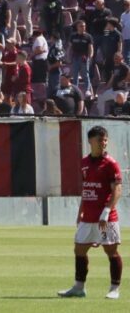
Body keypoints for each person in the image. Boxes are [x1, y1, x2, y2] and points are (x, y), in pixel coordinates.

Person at [58, 125, 122, 299]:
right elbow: (86, 188)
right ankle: (79, 288)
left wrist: (107, 211)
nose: (104, 143)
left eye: (105, 140)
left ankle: (114, 289)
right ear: (90, 141)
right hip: (88, 216)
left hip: (106, 218)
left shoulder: (111, 163)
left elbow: (117, 190)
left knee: (111, 251)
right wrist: (80, 211)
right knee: (79, 250)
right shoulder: (84, 162)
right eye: (100, 140)